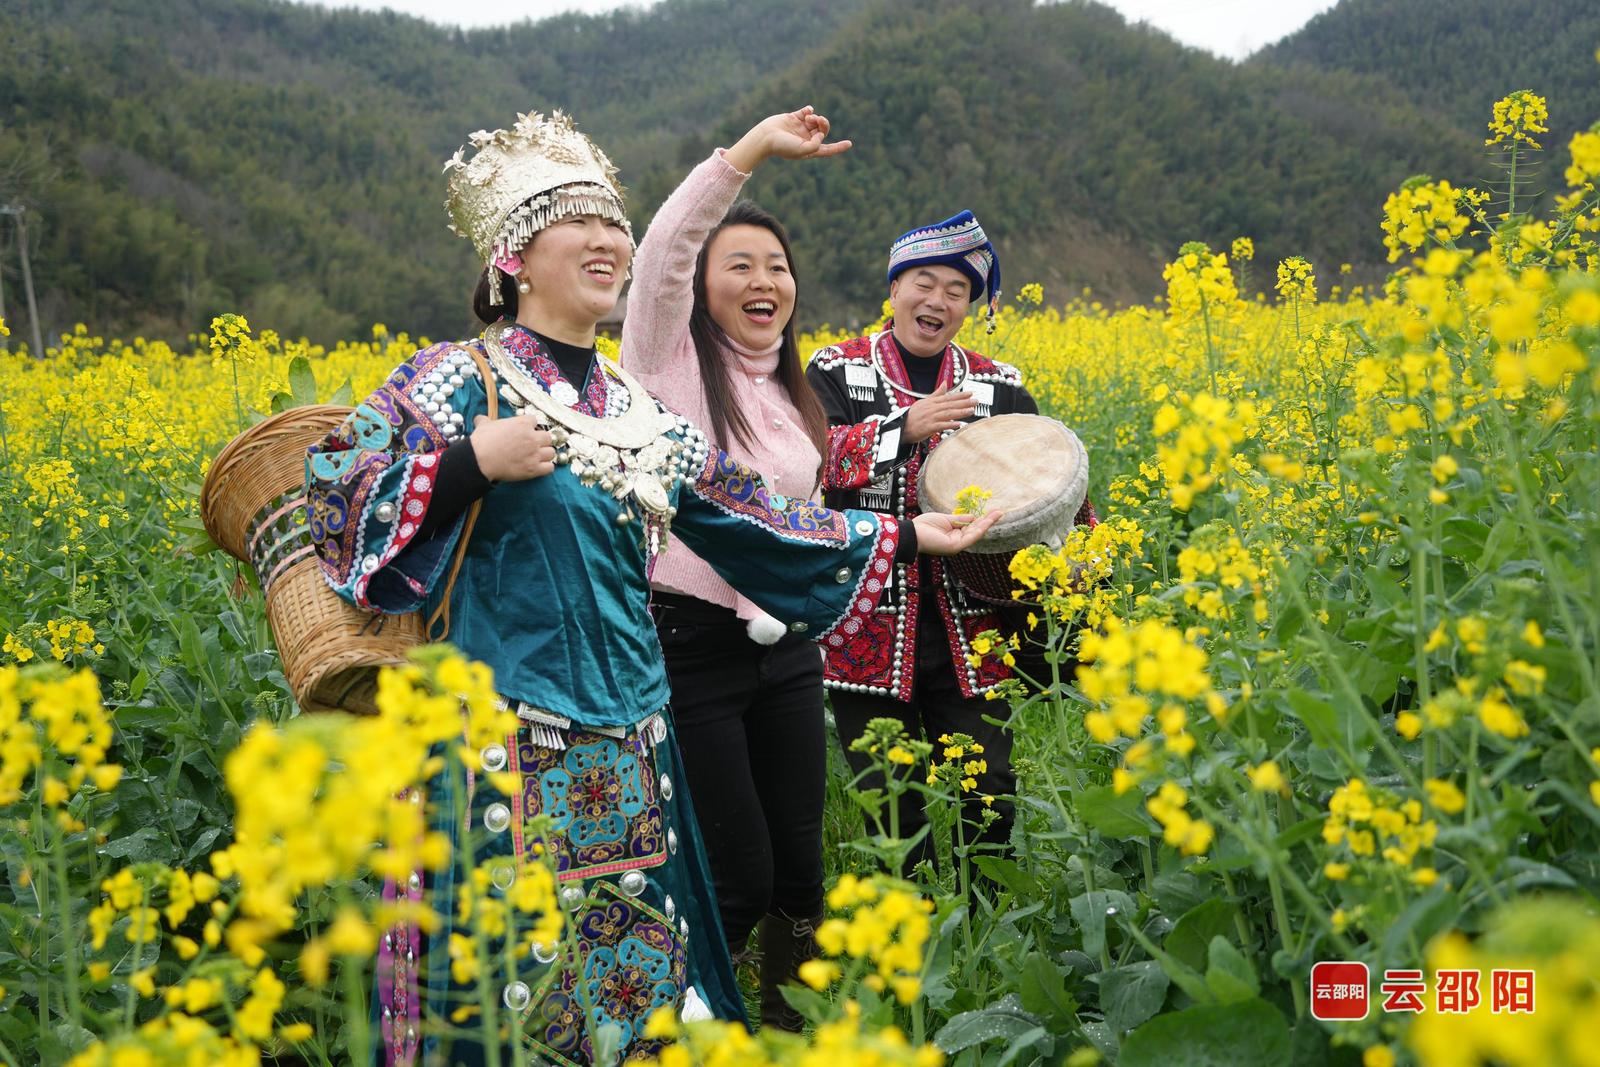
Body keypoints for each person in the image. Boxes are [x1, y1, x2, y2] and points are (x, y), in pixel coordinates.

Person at [304, 109, 998, 1067]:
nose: (607, 240)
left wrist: (910, 533)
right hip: (503, 742)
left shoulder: (638, 410)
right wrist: (471, 461)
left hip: (635, 740)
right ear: (513, 256)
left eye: (613, 223)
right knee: (516, 986)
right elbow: (335, 486)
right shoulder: (459, 381)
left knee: (635, 983)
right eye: (575, 222)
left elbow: (753, 515)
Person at [621, 106, 847, 1031]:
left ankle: (793, 1038)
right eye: (740, 265)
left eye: (777, 267)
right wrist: (750, 153)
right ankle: (673, 1025)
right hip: (692, 647)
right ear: (701, 288)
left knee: (801, 875)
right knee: (736, 877)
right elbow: (664, 251)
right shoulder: (663, 360)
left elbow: (807, 525)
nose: (764, 281)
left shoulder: (794, 393)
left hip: (786, 653)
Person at [804, 210, 1097, 876]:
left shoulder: (998, 384)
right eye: (923, 282)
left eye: (956, 290)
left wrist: (1082, 556)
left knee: (990, 791)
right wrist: (899, 429)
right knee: (890, 804)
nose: (937, 300)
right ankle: (910, 925)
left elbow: (1049, 485)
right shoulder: (837, 368)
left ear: (971, 306)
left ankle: (985, 921)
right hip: (866, 621)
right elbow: (807, 461)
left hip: (975, 625)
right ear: (895, 288)